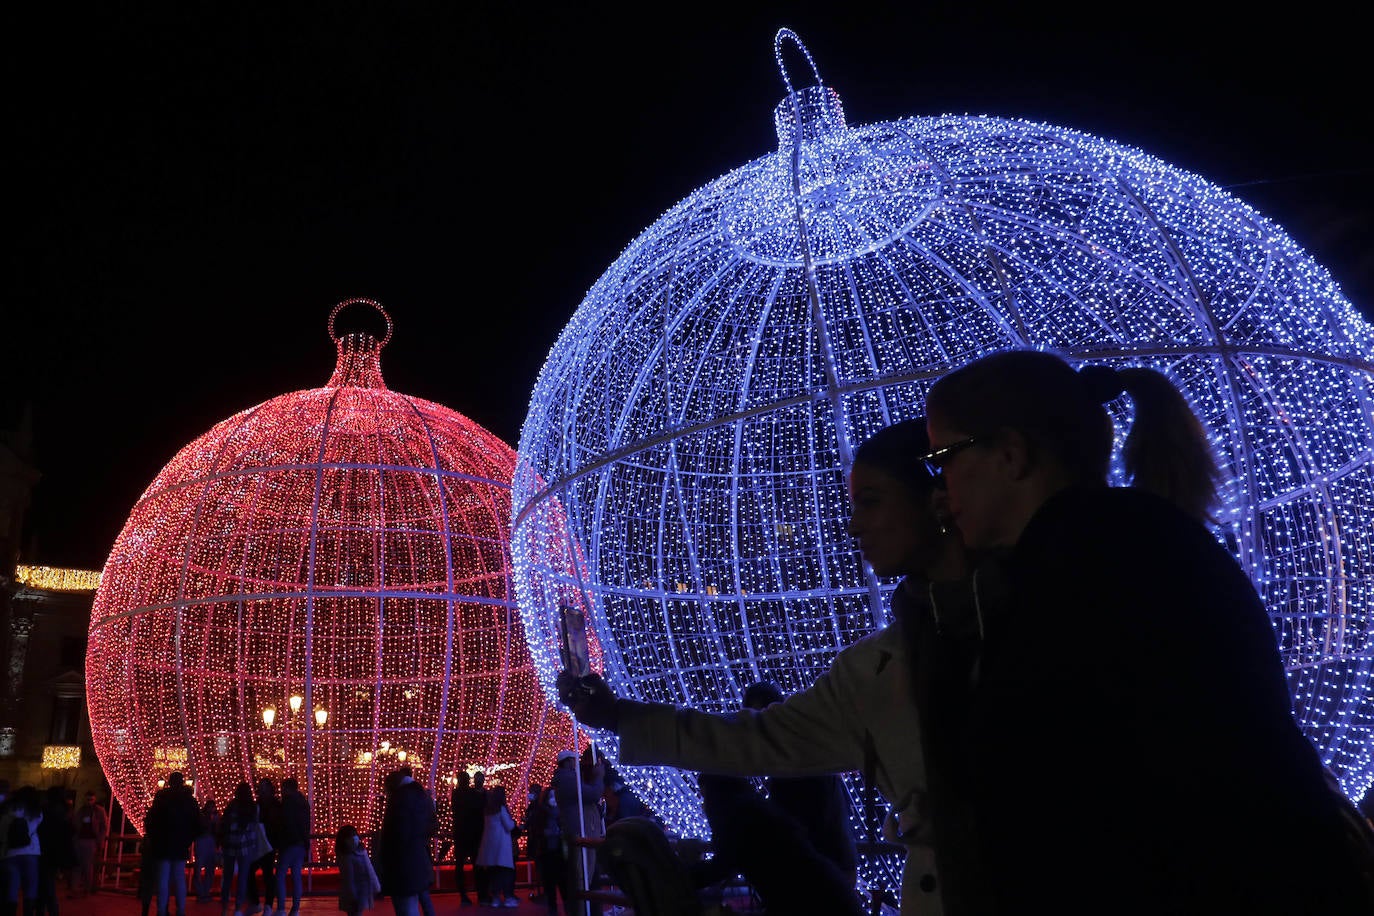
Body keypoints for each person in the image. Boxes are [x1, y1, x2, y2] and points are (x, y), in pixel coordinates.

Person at [920, 347, 1373, 912]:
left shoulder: (1080, 575)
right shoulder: (1125, 544)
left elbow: (1070, 790)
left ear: (1011, 455)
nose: (941, 487)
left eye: (946, 457)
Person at [556, 417, 973, 915]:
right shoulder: (874, 668)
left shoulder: (1046, 622)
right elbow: (750, 740)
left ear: (939, 500)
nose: (854, 524)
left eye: (872, 501)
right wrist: (617, 715)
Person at [740, 680, 859, 891]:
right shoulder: (805, 744)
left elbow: (796, 817)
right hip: (834, 862)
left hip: (820, 868)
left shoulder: (790, 758)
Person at [695, 773, 864, 916]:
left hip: (814, 899)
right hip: (825, 892)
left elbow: (720, 867)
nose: (704, 806)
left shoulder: (740, 818)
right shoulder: (755, 810)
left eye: (705, 798)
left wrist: (680, 872)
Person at [551, 747, 606, 916]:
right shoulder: (568, 778)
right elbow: (592, 794)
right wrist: (599, 777)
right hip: (581, 833)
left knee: (584, 876)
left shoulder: (566, 779)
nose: (578, 763)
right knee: (583, 877)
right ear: (568, 762)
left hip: (581, 831)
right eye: (575, 760)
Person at [378, 766, 438, 916]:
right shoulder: (420, 796)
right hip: (417, 860)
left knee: (405, 908)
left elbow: (398, 836)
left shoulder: (400, 801)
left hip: (402, 866)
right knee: (417, 902)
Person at [145, 772, 200, 916]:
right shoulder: (189, 800)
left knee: (163, 878)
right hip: (180, 844)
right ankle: (180, 910)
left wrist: (155, 837)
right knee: (179, 878)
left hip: (163, 844)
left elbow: (152, 818)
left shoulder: (162, 797)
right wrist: (188, 838)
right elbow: (197, 822)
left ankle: (162, 910)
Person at [2, 785, 44, 916]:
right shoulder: (36, 811)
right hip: (31, 852)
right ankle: (28, 912)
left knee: (12, 888)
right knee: (30, 887)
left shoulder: (10, 809)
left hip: (11, 853)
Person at [219, 782, 260, 916]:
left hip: (230, 844)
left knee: (228, 877)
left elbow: (224, 824)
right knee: (243, 877)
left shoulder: (232, 806)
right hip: (246, 846)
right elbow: (254, 829)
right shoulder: (252, 808)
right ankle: (237, 908)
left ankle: (224, 908)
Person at [34, 785, 76, 916]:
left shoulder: (47, 810)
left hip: (45, 850)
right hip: (56, 851)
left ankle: (46, 910)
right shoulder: (65, 811)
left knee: (45, 884)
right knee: (47, 882)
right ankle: (48, 909)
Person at [474, 786, 518, 909]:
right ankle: (508, 897)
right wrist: (515, 823)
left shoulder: (487, 810)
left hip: (490, 848)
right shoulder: (501, 809)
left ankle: (495, 898)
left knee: (494, 874)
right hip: (502, 847)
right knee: (506, 873)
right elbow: (509, 826)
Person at [525, 785, 564, 916]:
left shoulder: (560, 812)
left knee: (561, 881)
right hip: (547, 850)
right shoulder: (542, 813)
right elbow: (538, 830)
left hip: (558, 850)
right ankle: (552, 905)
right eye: (551, 796)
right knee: (550, 880)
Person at [448, 770, 485, 907]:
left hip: (460, 833)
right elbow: (479, 808)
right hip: (474, 834)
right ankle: (481, 893)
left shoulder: (456, 794)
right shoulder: (472, 793)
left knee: (460, 866)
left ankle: (463, 895)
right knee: (477, 864)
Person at [272, 779, 309, 916]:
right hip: (300, 843)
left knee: (280, 874)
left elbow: (284, 823)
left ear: (287, 788)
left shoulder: (287, 803)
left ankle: (281, 907)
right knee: (296, 876)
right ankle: (295, 909)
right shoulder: (303, 802)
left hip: (288, 843)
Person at [251, 780, 281, 916]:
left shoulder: (273, 805)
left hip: (268, 844)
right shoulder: (260, 804)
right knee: (255, 872)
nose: (261, 790)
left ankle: (266, 904)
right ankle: (260, 903)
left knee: (267, 874)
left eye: (264, 788)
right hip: (261, 844)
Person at [335, 826, 381, 916]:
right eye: (351, 836)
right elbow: (349, 879)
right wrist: (352, 897)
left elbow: (369, 869)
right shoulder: (347, 857)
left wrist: (376, 885)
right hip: (355, 893)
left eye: (355, 835)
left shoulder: (361, 851)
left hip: (360, 891)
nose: (354, 838)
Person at [71, 790, 108, 898]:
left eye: (91, 799)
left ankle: (86, 888)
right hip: (80, 839)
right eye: (87, 799)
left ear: (94, 799)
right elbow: (75, 824)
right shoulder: (81, 810)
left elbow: (103, 827)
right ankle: (75, 888)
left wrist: (100, 841)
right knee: (77, 865)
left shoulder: (98, 811)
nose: (89, 801)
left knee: (87, 866)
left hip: (90, 840)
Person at [191, 798, 219, 903]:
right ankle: (201, 891)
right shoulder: (202, 817)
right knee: (200, 867)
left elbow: (217, 831)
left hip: (208, 841)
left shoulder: (213, 817)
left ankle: (205, 891)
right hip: (203, 840)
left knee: (209, 867)